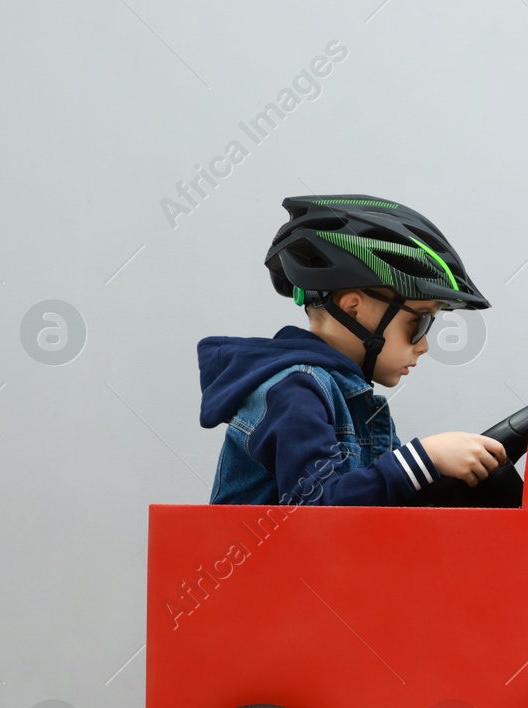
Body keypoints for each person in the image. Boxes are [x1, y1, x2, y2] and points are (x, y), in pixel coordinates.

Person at [198, 195, 506, 505]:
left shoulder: (350, 397)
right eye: (420, 321)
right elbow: (317, 509)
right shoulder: (293, 392)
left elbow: (375, 515)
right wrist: (424, 459)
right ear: (354, 309)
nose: (424, 346)